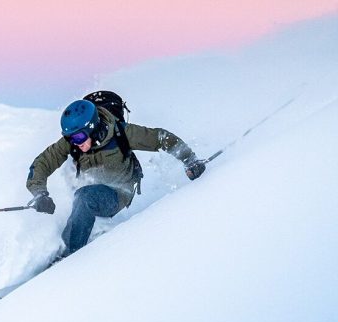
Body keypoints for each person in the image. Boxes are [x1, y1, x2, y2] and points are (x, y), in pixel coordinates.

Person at [26, 96, 206, 256]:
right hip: (91, 188)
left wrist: (190, 160)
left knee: (84, 198)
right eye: (70, 138)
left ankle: (68, 257)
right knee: (80, 194)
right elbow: (43, 162)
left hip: (119, 192)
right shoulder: (74, 141)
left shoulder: (122, 133)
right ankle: (73, 239)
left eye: (79, 137)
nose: (75, 142)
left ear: (92, 128)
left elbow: (161, 138)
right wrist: (39, 193)